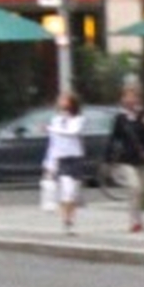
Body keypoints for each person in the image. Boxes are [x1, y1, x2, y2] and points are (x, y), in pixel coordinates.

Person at [108, 87, 144, 232]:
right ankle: (134, 221)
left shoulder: (143, 116)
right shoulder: (120, 119)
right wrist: (108, 159)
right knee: (134, 188)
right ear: (123, 100)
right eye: (127, 97)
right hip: (126, 159)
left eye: (133, 97)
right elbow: (114, 138)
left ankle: (140, 217)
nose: (130, 100)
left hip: (142, 158)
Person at [44, 92, 90, 233]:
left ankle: (71, 217)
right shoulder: (56, 120)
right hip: (62, 158)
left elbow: (72, 132)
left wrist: (51, 129)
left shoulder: (79, 119)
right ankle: (66, 221)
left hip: (75, 158)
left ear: (72, 103)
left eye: (64, 100)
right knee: (66, 190)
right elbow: (53, 143)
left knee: (73, 193)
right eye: (60, 100)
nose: (61, 102)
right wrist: (49, 163)